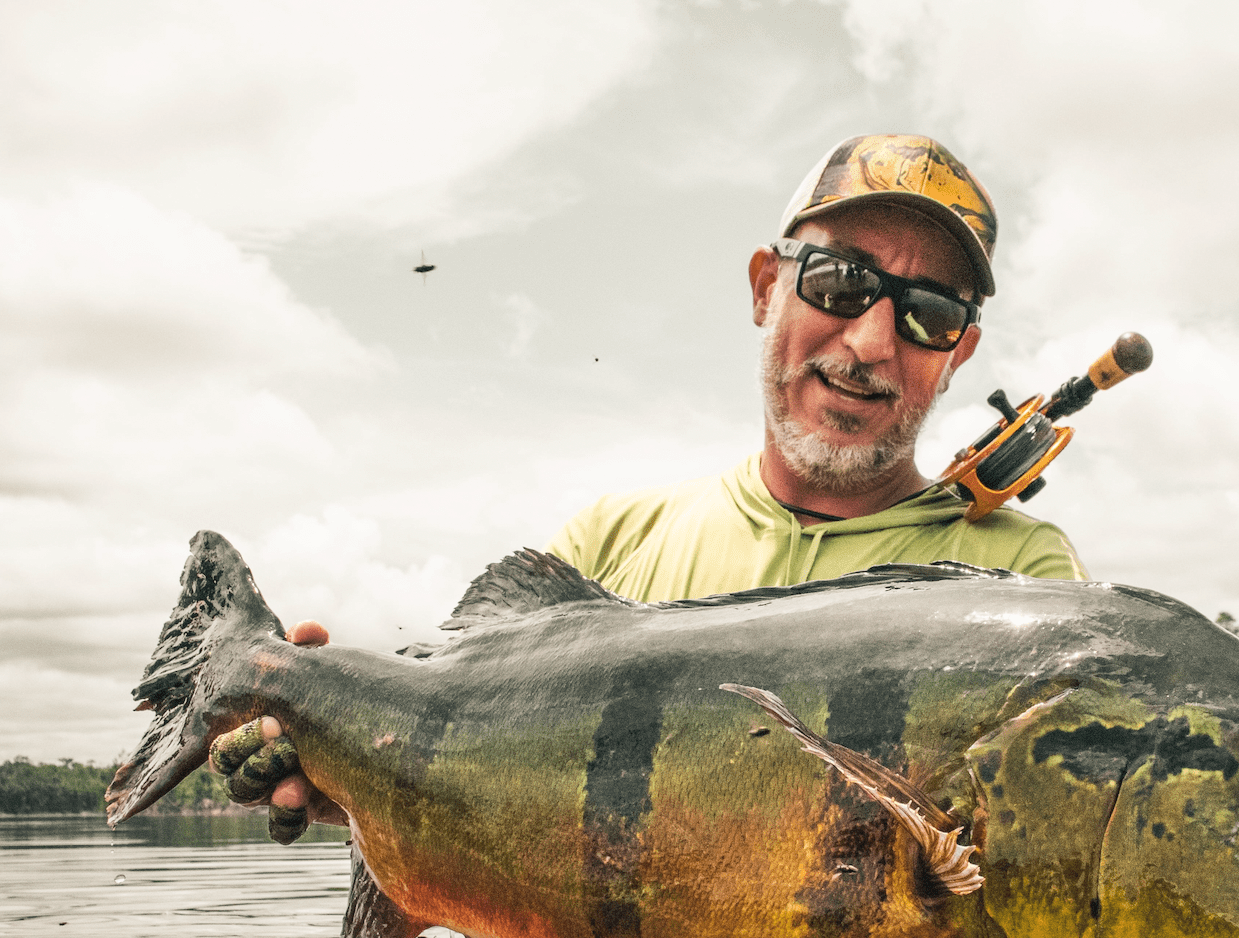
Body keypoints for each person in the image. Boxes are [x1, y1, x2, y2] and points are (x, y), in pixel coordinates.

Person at [213, 134, 1085, 839]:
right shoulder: (609, 546)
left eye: (930, 313)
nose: (869, 342)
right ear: (763, 288)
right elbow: (456, 757)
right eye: (840, 282)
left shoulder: (1029, 589)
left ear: (960, 352)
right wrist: (340, 767)